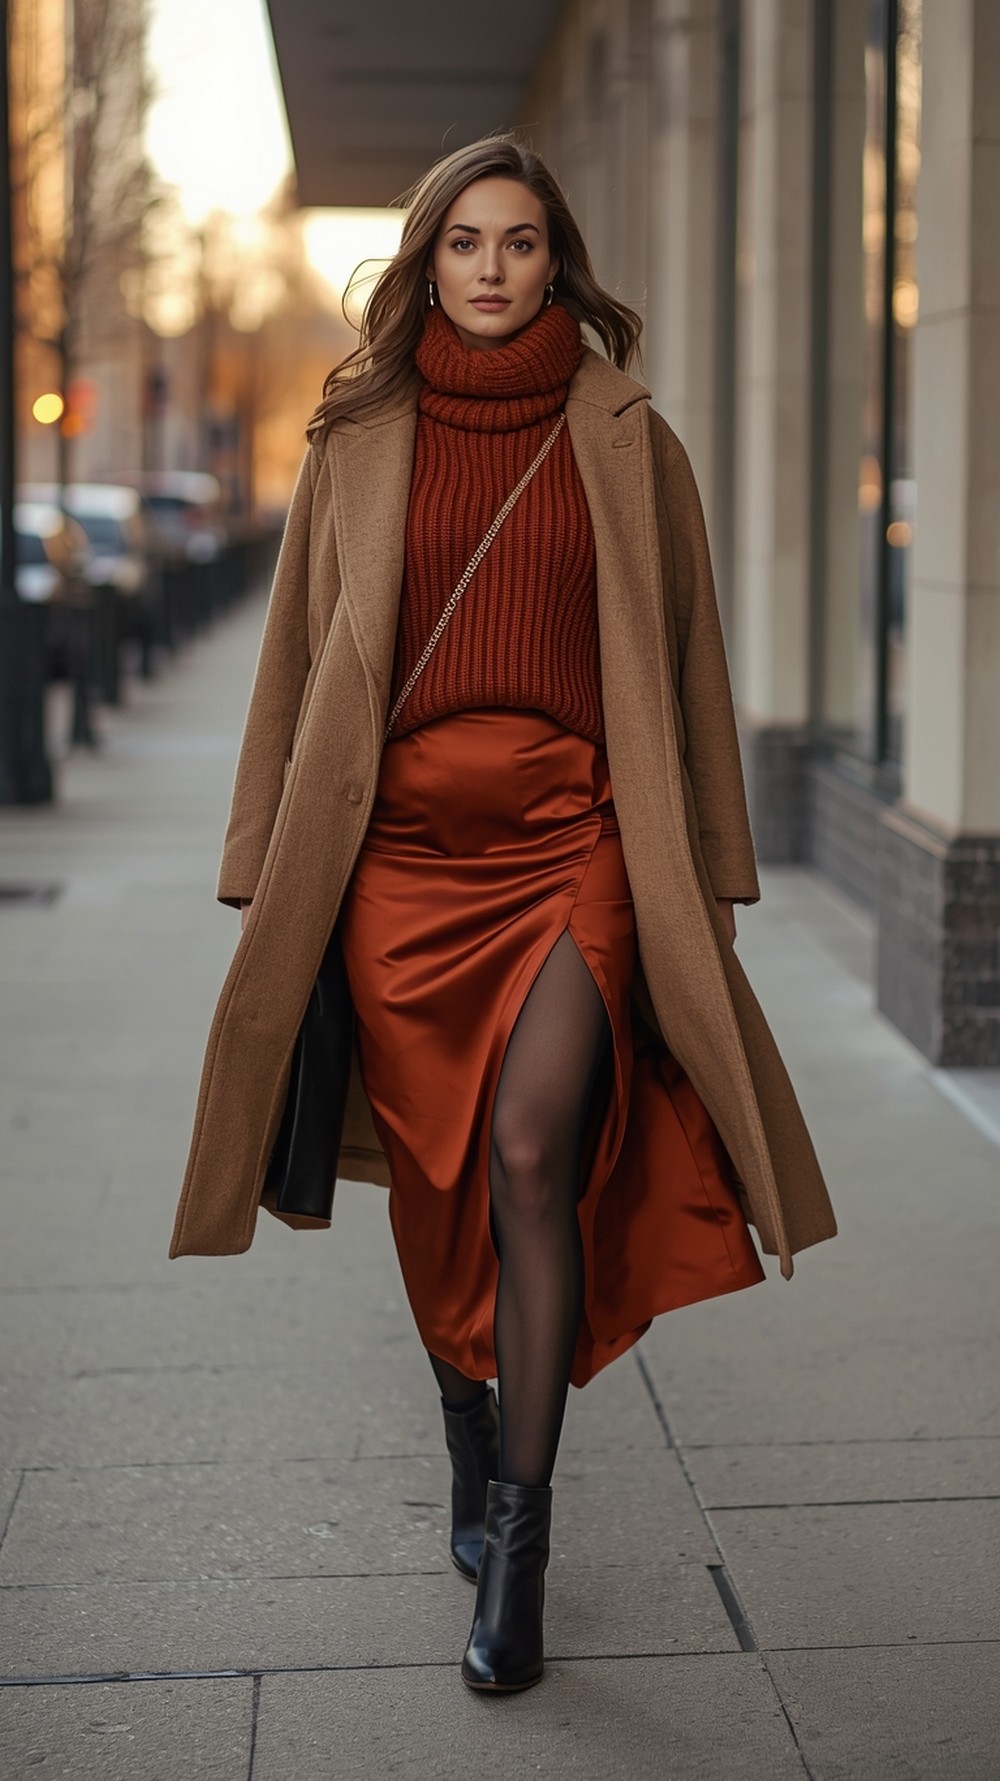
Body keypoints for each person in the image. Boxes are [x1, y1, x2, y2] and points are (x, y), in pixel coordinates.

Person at [169, 133, 836, 1694]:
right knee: (439, 1177)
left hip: (574, 848)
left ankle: (520, 1545)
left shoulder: (629, 438)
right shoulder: (354, 436)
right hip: (395, 866)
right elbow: (294, 659)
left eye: (520, 241)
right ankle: (467, 1424)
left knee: (532, 1151)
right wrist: (262, 856)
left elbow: (687, 665)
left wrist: (712, 869)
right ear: (426, 260)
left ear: (557, 261)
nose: (491, 267)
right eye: (464, 241)